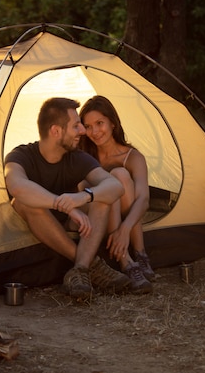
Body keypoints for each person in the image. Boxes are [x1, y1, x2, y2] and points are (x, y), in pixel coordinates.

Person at [4, 97, 132, 300]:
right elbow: (17, 186)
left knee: (101, 196)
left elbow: (115, 186)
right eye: (76, 126)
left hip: (72, 224)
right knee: (23, 202)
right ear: (56, 131)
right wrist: (62, 204)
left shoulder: (76, 158)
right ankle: (93, 266)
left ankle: (80, 269)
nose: (82, 131)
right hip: (35, 222)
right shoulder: (21, 156)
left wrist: (83, 197)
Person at [79, 95, 155, 294]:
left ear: (112, 123)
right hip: (95, 218)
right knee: (111, 182)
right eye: (88, 126)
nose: (94, 132)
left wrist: (124, 229)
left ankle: (139, 253)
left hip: (124, 219)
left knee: (120, 175)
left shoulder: (133, 156)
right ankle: (126, 262)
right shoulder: (85, 157)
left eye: (100, 123)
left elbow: (144, 199)